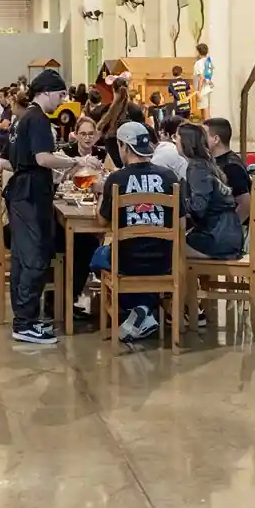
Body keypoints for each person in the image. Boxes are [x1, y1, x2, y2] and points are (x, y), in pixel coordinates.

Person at [5, 68, 96, 346]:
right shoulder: (38, 119)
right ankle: (25, 322)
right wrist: (75, 161)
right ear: (46, 92)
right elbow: (43, 158)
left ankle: (26, 317)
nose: (62, 100)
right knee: (34, 257)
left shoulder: (23, 118)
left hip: (22, 191)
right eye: (60, 94)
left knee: (24, 257)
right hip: (30, 194)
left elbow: (15, 158)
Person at [89, 122, 187, 343]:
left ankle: (137, 308)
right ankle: (144, 308)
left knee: (97, 257)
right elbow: (181, 224)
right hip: (164, 261)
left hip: (127, 261)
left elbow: (102, 221)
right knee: (131, 261)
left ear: (124, 146)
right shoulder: (170, 177)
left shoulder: (116, 179)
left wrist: (102, 193)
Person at [177, 123, 244, 260]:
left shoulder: (197, 168)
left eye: (176, 138)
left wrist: (180, 204)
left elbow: (199, 207)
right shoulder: (206, 163)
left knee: (168, 250)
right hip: (227, 233)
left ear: (185, 142)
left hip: (216, 238)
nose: (175, 142)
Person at [204, 117, 253, 226]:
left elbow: (245, 203)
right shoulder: (217, 161)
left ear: (216, 139)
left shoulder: (231, 167)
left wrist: (229, 229)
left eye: (204, 136)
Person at [94, 79, 147, 168]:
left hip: (111, 160)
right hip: (132, 157)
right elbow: (142, 134)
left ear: (113, 90)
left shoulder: (106, 110)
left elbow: (99, 134)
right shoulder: (136, 110)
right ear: (128, 89)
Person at [193, 42, 215, 118]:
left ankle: (207, 123)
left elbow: (201, 77)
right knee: (204, 107)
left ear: (198, 52)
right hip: (208, 86)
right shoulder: (209, 61)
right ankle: (206, 122)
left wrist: (199, 91)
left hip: (202, 88)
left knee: (204, 107)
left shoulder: (199, 63)